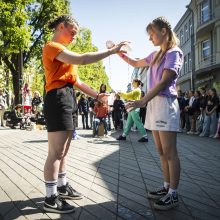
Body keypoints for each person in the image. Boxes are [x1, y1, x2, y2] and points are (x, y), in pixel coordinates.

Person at [42, 14, 126, 214]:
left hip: (68, 96)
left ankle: (61, 186)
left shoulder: (65, 53)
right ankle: (50, 198)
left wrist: (98, 95)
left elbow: (77, 82)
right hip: (57, 97)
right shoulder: (51, 47)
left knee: (63, 150)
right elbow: (84, 59)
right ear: (61, 27)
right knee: (55, 152)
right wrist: (111, 51)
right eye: (72, 32)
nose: (74, 37)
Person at [119, 17, 183, 210]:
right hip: (154, 103)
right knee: (161, 151)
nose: (150, 38)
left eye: (152, 34)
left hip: (164, 102)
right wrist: (118, 52)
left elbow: (164, 82)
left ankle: (174, 193)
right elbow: (136, 62)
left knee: (170, 152)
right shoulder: (155, 54)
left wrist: (142, 100)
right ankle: (166, 187)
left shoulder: (174, 52)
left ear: (164, 31)